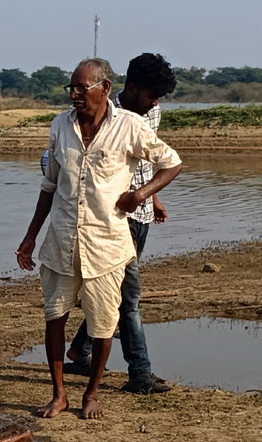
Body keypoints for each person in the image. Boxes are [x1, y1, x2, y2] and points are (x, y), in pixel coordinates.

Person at [16, 58, 182, 419]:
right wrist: (30, 236)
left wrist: (142, 195)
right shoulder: (60, 126)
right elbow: (49, 185)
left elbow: (171, 163)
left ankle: (91, 393)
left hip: (107, 244)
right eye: (71, 88)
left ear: (104, 87)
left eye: (82, 88)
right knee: (54, 316)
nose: (75, 94)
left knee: (105, 322)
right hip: (61, 241)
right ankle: (59, 394)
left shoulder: (130, 125)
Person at [65, 53, 177, 394]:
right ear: (132, 88)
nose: (155, 103)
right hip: (113, 221)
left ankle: (81, 349)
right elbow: (61, 162)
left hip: (140, 216)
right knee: (128, 298)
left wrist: (150, 197)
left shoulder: (151, 113)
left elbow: (148, 160)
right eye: (151, 95)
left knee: (113, 292)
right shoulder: (100, 112)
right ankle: (139, 372)